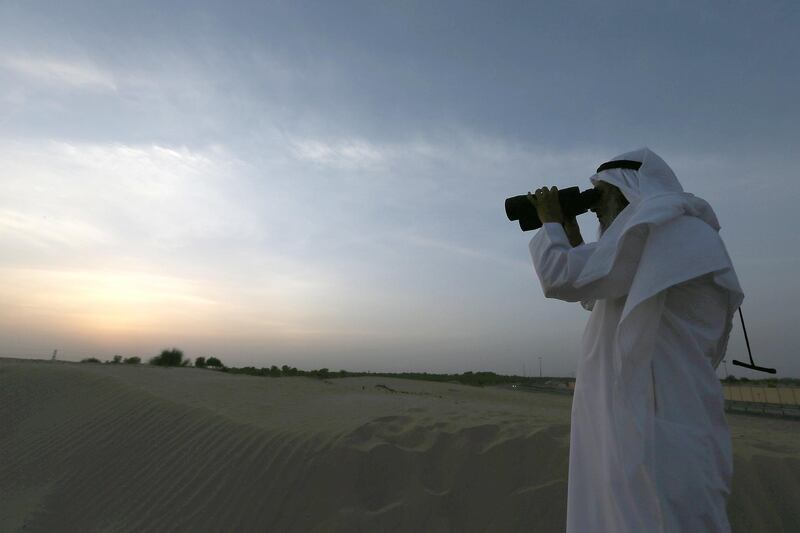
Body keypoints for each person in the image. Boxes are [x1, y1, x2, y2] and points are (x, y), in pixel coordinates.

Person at [527, 148, 742, 532]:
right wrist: (574, 238)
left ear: (629, 192)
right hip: (666, 412)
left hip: (648, 418)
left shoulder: (658, 227)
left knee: (648, 513)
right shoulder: (678, 235)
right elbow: (598, 295)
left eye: (601, 195)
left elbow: (560, 276)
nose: (594, 208)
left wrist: (549, 221)